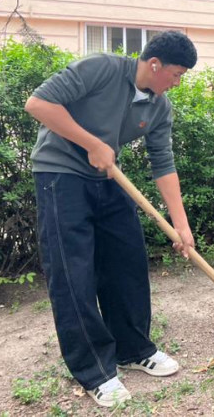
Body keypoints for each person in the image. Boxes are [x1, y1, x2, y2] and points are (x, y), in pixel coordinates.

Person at [25, 31, 198, 408]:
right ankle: (95, 372)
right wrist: (92, 143)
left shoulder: (159, 107)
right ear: (155, 65)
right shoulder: (101, 69)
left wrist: (181, 225)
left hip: (106, 177)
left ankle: (133, 348)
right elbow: (37, 103)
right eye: (176, 75)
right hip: (59, 175)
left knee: (127, 260)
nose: (177, 83)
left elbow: (163, 164)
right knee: (73, 274)